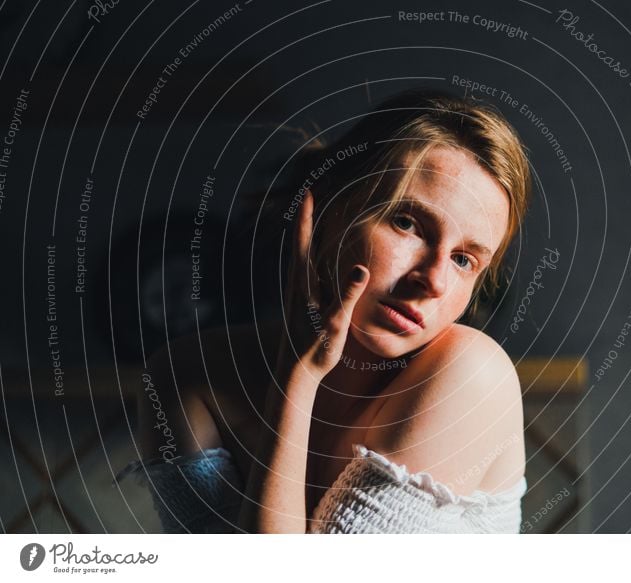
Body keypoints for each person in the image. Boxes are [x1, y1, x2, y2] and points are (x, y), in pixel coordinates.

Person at [118, 89, 532, 533]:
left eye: (464, 259)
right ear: (327, 211)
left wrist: (296, 382)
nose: (432, 281)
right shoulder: (186, 377)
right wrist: (298, 376)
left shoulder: (471, 374)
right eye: (407, 222)